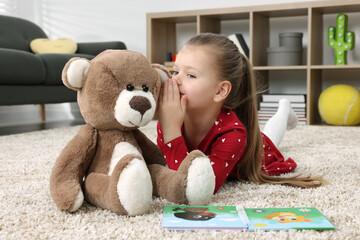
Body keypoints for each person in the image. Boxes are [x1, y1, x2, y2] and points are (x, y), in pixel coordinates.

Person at [157, 32, 324, 194]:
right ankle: (284, 110)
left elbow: (198, 185)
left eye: (190, 75)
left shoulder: (233, 135)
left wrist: (171, 130)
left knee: (268, 139)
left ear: (220, 91)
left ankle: (284, 109)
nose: (174, 80)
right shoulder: (170, 116)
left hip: (257, 149)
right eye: (174, 71)